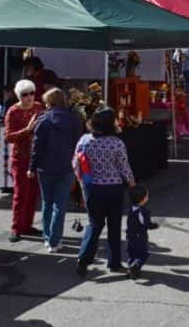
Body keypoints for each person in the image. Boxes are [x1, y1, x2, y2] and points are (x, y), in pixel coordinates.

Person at [74, 107, 136, 277]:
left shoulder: (85, 140)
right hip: (113, 188)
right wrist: (132, 183)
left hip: (92, 188)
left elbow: (76, 164)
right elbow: (124, 167)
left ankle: (83, 259)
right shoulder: (116, 143)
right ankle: (114, 263)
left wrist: (81, 184)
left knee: (94, 224)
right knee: (114, 226)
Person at [28, 87, 83, 253]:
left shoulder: (43, 120)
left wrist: (32, 167)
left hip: (46, 167)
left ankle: (48, 238)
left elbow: (36, 147)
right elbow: (78, 144)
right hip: (67, 166)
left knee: (47, 203)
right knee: (60, 205)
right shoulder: (74, 119)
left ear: (49, 102)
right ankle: (55, 240)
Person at [6, 79, 43, 242]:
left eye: (31, 93)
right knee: (20, 194)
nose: (29, 97)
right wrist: (26, 130)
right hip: (20, 157)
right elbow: (9, 137)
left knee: (33, 193)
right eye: (25, 94)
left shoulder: (38, 107)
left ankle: (26, 225)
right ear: (19, 96)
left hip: (36, 156)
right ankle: (16, 228)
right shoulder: (12, 112)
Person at [126, 184, 159, 279]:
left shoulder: (131, 209)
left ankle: (131, 270)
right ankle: (135, 268)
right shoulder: (143, 212)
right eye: (147, 195)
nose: (148, 197)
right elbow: (147, 225)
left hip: (129, 236)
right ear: (143, 199)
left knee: (132, 254)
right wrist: (156, 225)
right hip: (139, 237)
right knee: (143, 254)